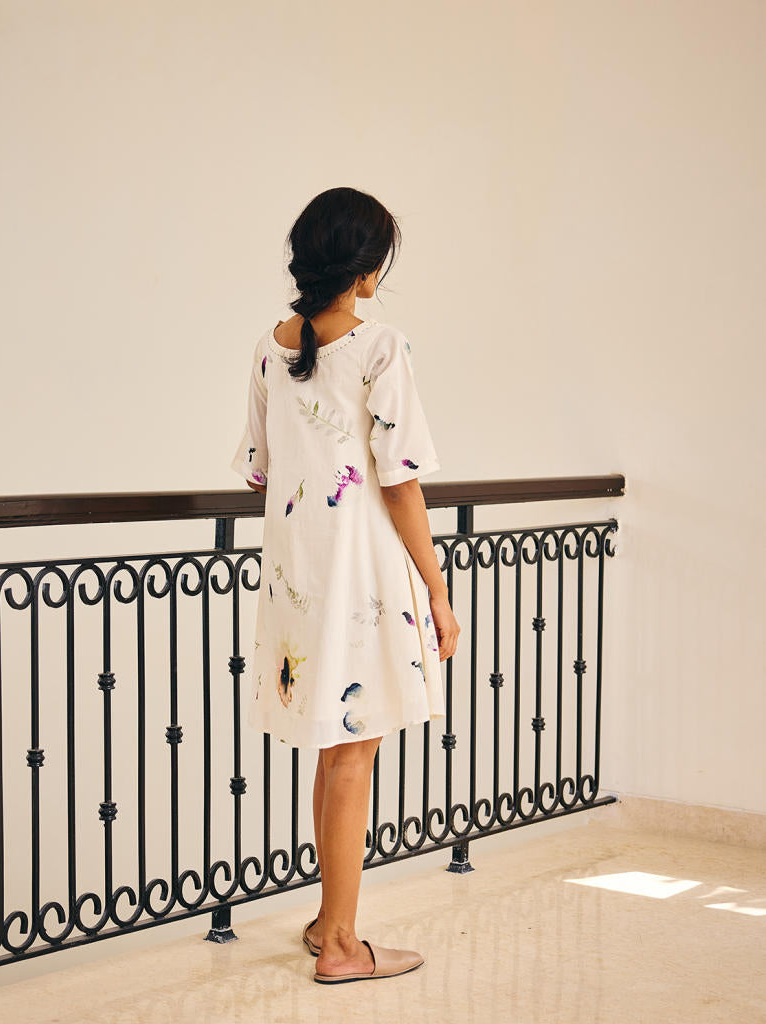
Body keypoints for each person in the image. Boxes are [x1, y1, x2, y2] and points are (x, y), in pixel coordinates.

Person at [230, 186, 461, 983]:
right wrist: (436, 590)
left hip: (298, 575)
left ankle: (329, 920)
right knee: (355, 755)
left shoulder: (270, 346)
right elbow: (400, 480)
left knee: (334, 751)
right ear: (364, 269)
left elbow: (260, 471)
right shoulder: (379, 346)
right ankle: (339, 947)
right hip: (362, 573)